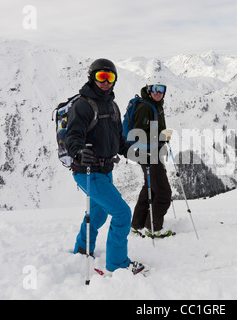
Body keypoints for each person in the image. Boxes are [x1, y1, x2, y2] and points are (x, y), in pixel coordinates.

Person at [65, 58, 147, 275]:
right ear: (91, 78)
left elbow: (117, 139)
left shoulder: (112, 106)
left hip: (105, 170)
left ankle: (83, 249)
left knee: (98, 213)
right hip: (88, 171)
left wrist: (132, 151)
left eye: (109, 77)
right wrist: (79, 152)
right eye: (100, 76)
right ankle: (117, 264)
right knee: (122, 213)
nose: (105, 82)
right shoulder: (83, 105)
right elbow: (72, 135)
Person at [130, 83, 174, 238]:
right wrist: (160, 138)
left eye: (161, 89)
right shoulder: (145, 107)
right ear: (149, 91)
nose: (158, 92)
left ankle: (137, 224)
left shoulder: (155, 106)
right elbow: (137, 134)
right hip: (148, 154)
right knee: (163, 193)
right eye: (155, 89)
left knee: (149, 187)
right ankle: (153, 228)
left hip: (152, 153)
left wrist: (162, 138)